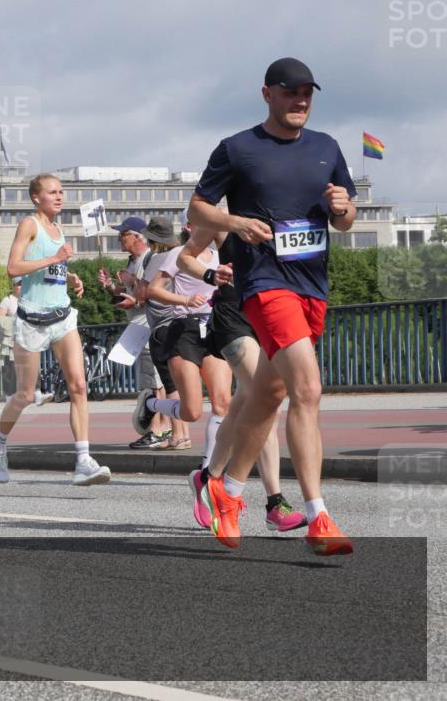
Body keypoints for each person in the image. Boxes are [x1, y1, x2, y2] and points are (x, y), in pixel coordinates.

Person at [186, 57, 356, 556]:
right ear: (267, 94)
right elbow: (197, 207)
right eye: (290, 92)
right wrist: (235, 223)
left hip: (312, 285)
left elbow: (345, 218)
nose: (300, 100)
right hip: (264, 283)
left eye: (307, 93)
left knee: (269, 392)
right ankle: (318, 515)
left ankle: (226, 488)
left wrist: (344, 209)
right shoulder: (238, 148)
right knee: (307, 388)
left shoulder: (327, 148)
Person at [0, 174, 110, 486]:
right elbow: (13, 268)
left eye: (61, 191)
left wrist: (69, 276)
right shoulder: (30, 225)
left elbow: (50, 270)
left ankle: (83, 461)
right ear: (36, 198)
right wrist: (56, 258)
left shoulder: (58, 228)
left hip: (62, 318)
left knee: (78, 385)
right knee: (26, 394)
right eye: (52, 192)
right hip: (32, 320)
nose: (59, 196)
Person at [177, 228, 306, 532]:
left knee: (243, 405)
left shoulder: (286, 221)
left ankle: (208, 477)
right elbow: (185, 258)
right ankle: (274, 504)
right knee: (267, 401)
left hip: (271, 316)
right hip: (233, 318)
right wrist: (211, 274)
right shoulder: (227, 220)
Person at [98, 216, 171, 448]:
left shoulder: (150, 259)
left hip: (148, 327)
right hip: (140, 327)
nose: (120, 238)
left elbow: (151, 293)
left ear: (137, 237)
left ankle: (158, 429)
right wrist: (111, 286)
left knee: (154, 381)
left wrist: (135, 297)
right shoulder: (134, 261)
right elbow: (130, 291)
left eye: (123, 234)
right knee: (153, 380)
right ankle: (161, 428)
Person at [136, 218, 190, 448]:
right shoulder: (183, 254)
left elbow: (143, 293)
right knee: (183, 384)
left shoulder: (158, 258)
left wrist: (132, 281)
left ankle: (177, 435)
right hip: (184, 323)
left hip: (162, 327)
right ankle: (184, 434)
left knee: (171, 384)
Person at [0, 278, 53, 406]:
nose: (21, 286)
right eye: (18, 284)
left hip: (27, 339)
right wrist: (15, 322)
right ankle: (9, 397)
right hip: (11, 341)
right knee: (10, 370)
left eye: (23, 284)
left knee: (33, 366)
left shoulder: (29, 300)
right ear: (13, 286)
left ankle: (37, 394)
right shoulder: (8, 300)